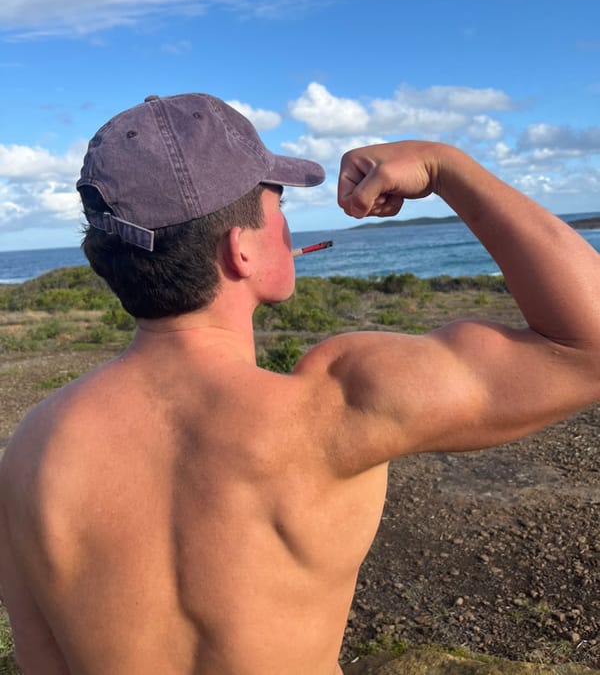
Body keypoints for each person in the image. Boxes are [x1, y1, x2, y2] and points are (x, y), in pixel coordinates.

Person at [0, 92, 598, 675]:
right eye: (279, 206)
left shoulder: (30, 451)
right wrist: (446, 166)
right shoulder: (332, 408)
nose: (287, 227)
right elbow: (587, 348)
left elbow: (41, 658)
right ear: (240, 250)